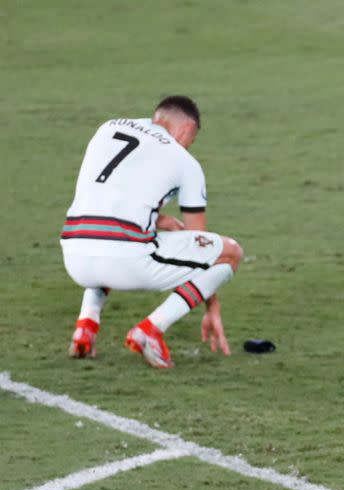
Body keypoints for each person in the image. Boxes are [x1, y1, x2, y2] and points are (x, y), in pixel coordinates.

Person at [61, 95, 243, 369]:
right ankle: (150, 330)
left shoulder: (107, 128)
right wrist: (212, 307)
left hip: (74, 256)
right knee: (230, 253)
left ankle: (85, 325)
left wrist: (159, 220)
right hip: (126, 262)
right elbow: (200, 244)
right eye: (191, 140)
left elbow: (108, 199)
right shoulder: (184, 160)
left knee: (111, 233)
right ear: (187, 129)